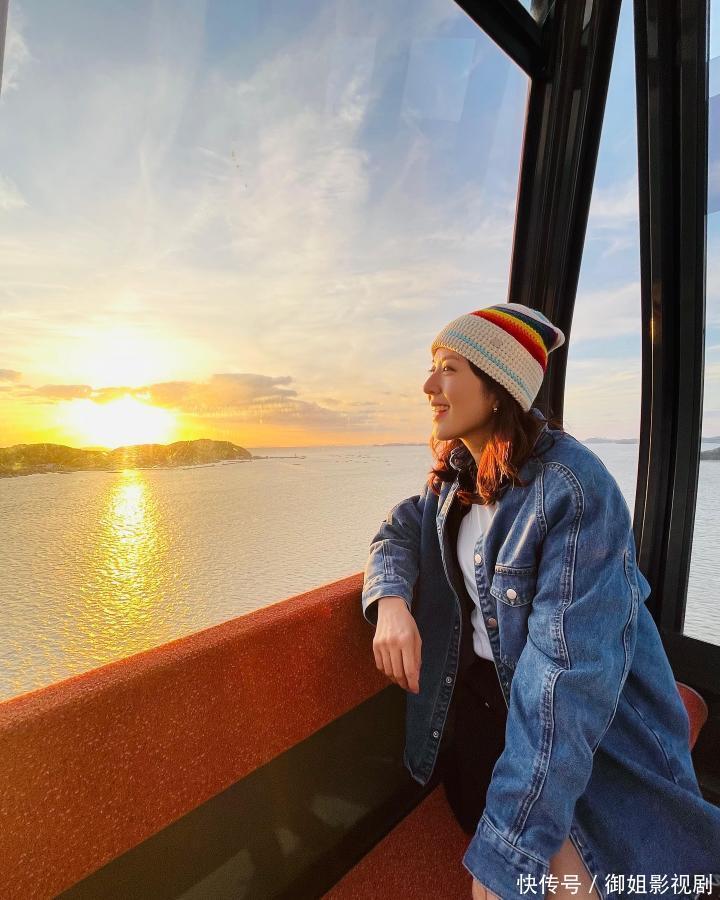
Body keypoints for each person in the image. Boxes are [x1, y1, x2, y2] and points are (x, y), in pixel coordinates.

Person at [361, 303, 720, 900]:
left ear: (498, 388)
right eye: (432, 367)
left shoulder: (573, 491)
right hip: (490, 720)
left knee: (569, 876)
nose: (428, 385)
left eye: (448, 369)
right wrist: (391, 603)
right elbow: (398, 529)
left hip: (579, 729)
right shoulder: (459, 474)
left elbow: (563, 679)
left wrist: (509, 842)